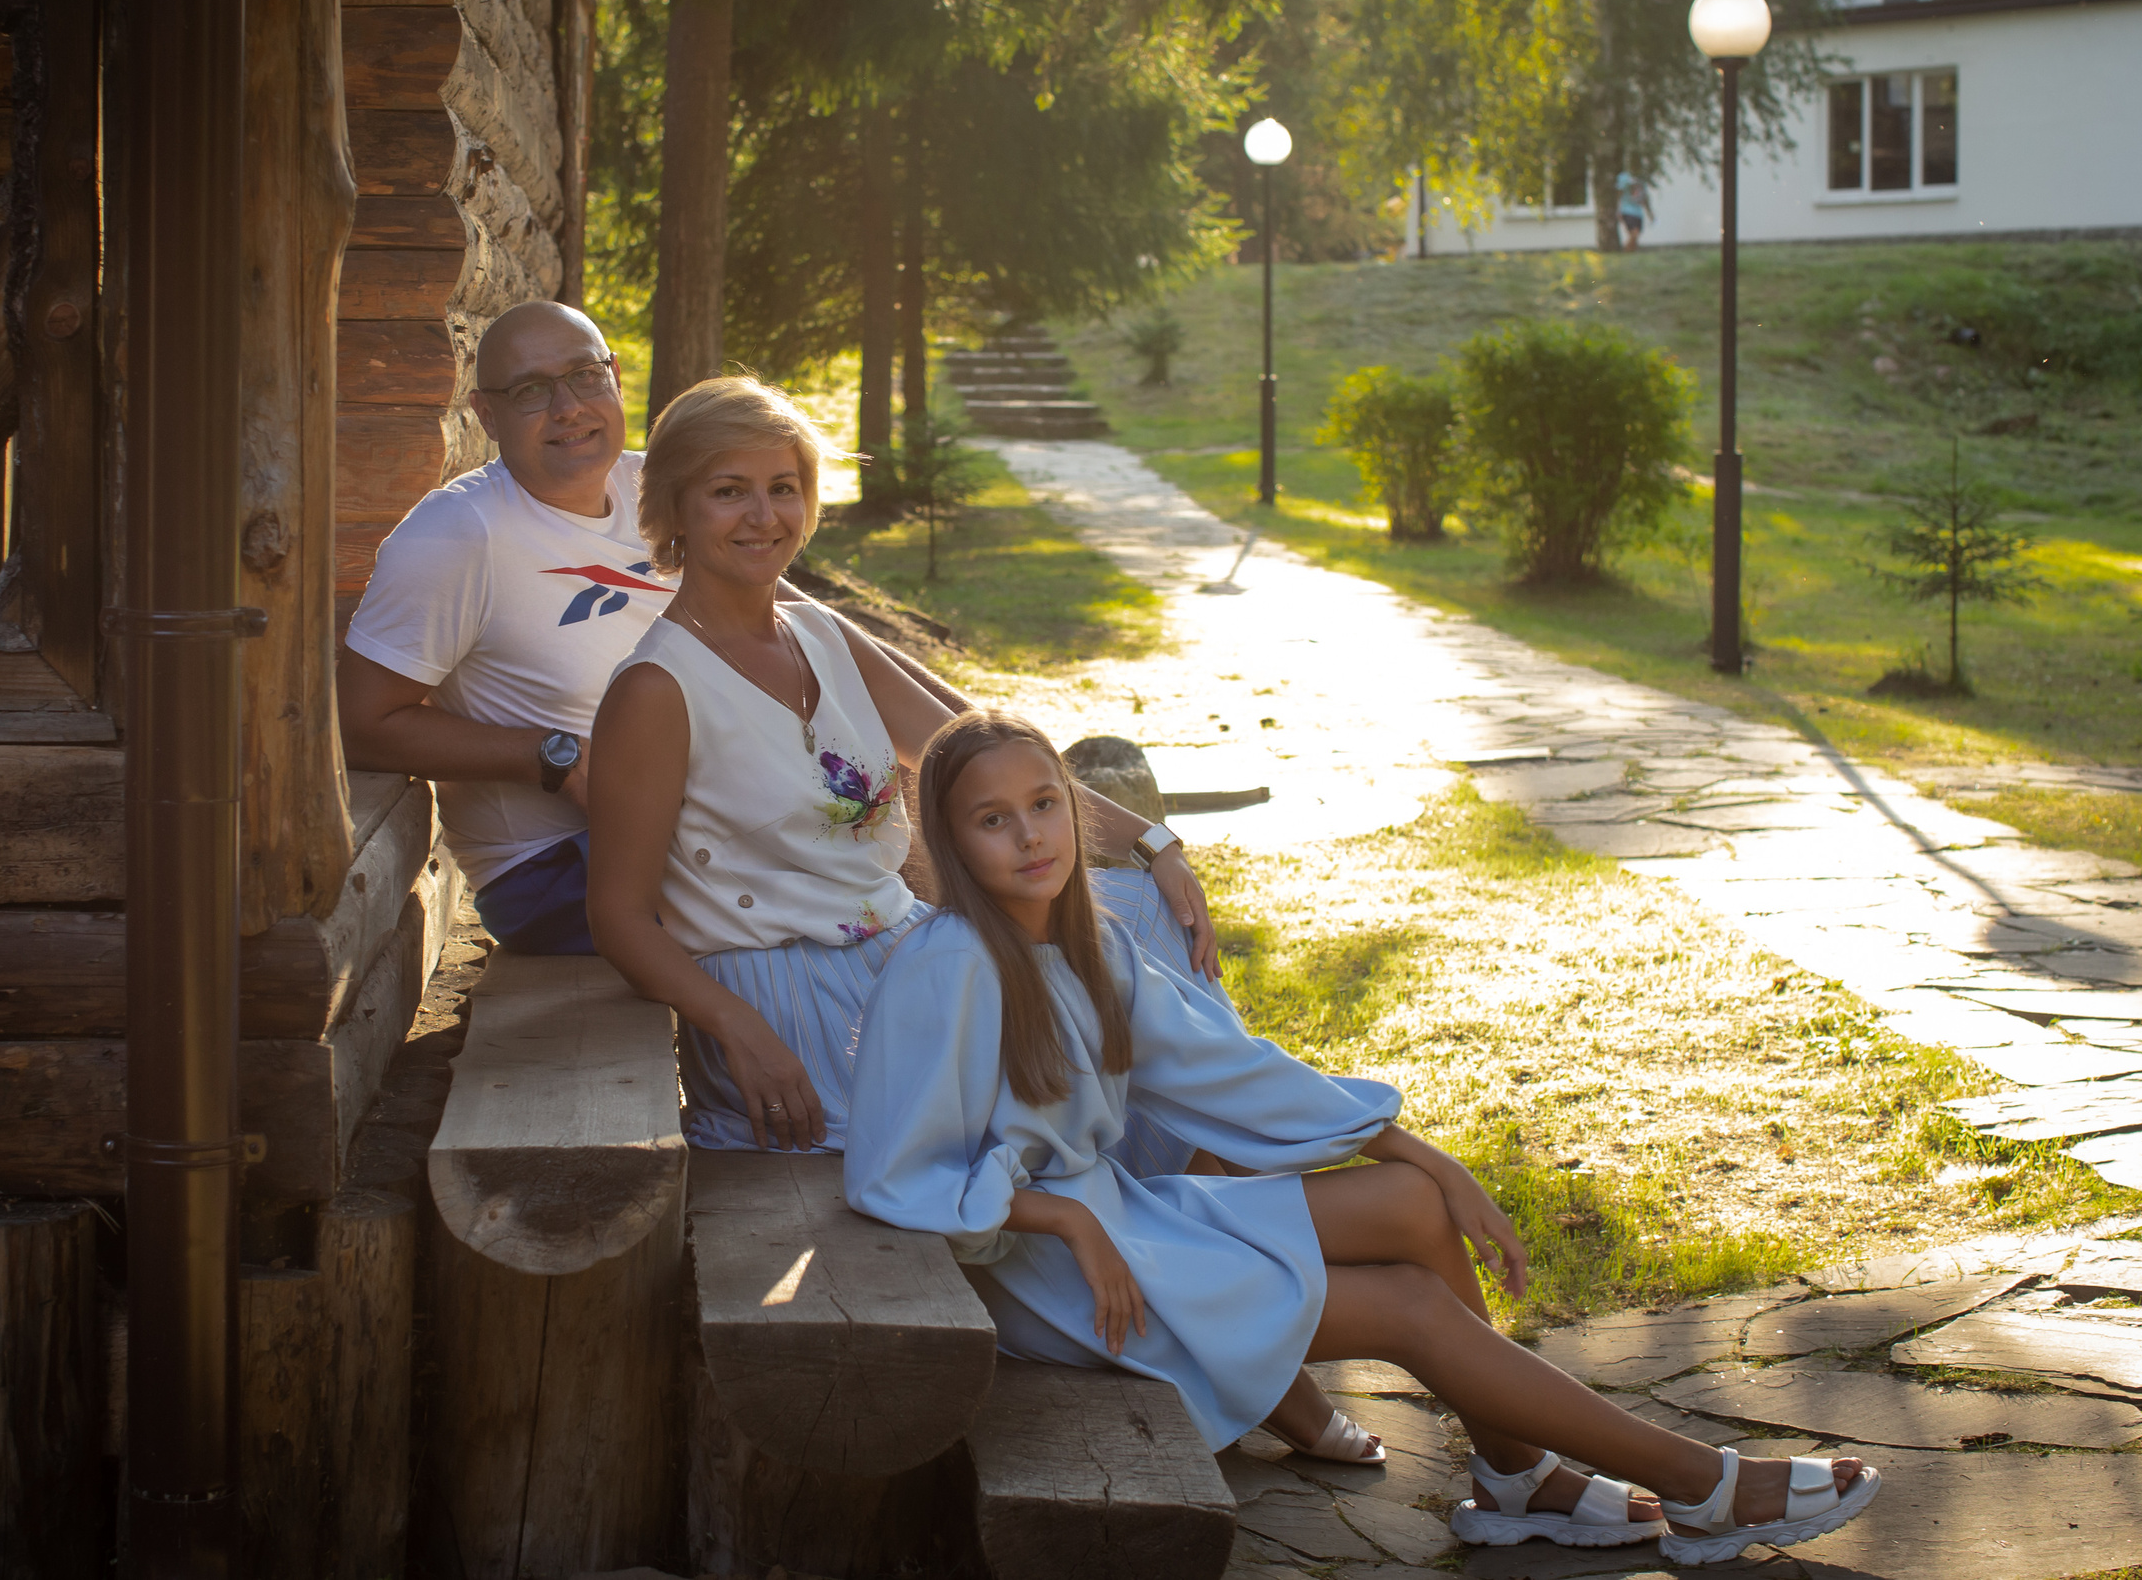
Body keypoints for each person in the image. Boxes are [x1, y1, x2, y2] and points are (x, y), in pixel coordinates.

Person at [844, 710, 1885, 1564]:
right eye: (992, 821)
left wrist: (1416, 1150)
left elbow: (1233, 1074)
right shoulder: (947, 971)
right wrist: (1057, 1215)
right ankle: (1703, 1486)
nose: (1030, 838)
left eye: (1042, 806)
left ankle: (1515, 1476)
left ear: (1074, 815)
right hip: (1052, 1277)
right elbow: (893, 1174)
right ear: (951, 840)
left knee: (1410, 1205)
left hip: (1120, 1225)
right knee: (1406, 1305)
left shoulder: (1088, 947)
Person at [584, 374, 1380, 1465]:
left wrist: (1152, 843)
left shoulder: (823, 633)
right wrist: (739, 1030)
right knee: (1056, 1090)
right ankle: (1245, 1353)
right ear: (670, 510)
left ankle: (1223, 1293)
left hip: (906, 963)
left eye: (784, 486)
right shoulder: (654, 691)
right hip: (792, 1006)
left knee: (1130, 920)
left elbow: (983, 750)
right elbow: (620, 917)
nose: (763, 515)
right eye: (728, 492)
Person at [336, 301, 966, 954]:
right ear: (485, 414)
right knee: (882, 841)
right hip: (562, 862)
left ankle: (1016, 932)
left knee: (914, 786)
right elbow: (361, 724)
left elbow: (804, 627)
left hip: (722, 801)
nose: (568, 406)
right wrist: (552, 756)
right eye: (531, 390)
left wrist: (976, 729)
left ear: (614, 377)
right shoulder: (458, 535)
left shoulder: (649, 483)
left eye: (585, 376)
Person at [1615, 171, 1652, 251]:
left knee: (1636, 235)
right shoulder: (1625, 187)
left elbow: (1644, 201)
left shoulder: (1640, 189)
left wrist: (1650, 214)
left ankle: (1630, 252)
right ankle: (1625, 250)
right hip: (1627, 212)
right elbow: (1619, 194)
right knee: (1634, 233)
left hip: (1638, 213)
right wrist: (1618, 211)